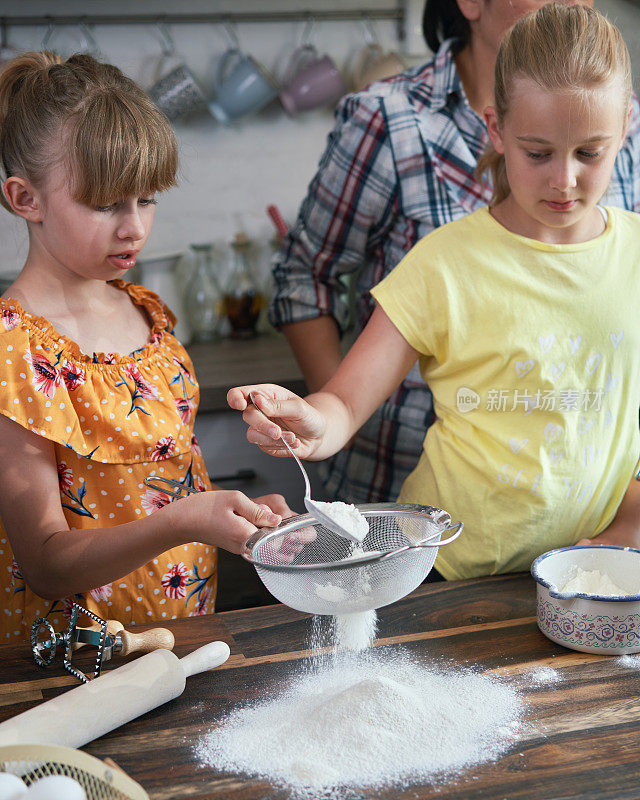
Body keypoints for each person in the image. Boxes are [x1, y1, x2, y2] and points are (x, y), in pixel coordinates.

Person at [230, 3, 640, 582]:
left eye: (589, 153)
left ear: (625, 125)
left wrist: (631, 524)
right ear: (496, 130)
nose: (564, 179)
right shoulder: (443, 263)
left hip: (586, 569)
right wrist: (311, 423)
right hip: (445, 574)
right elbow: (345, 404)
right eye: (538, 152)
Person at [0, 52, 292, 641]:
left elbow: (169, 483)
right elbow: (47, 565)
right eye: (105, 203)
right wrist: (183, 521)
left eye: (147, 198)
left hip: (182, 630)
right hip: (77, 657)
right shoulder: (13, 354)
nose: (134, 226)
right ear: (24, 198)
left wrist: (242, 519)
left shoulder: (145, 314)